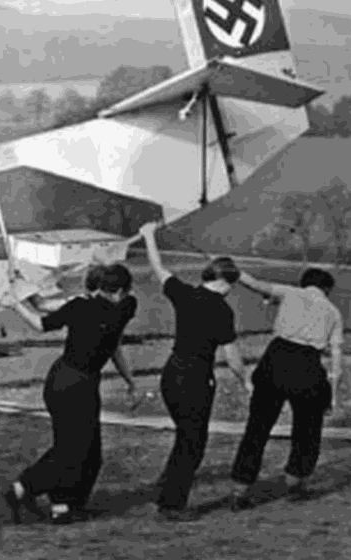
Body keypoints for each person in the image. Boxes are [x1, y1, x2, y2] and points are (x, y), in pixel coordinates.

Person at [0, 263, 140, 525]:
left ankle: (64, 501)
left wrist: (17, 301)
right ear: (120, 290)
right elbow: (112, 343)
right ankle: (44, 498)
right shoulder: (126, 307)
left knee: (86, 451)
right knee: (73, 450)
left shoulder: (79, 306)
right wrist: (129, 381)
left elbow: (42, 319)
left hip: (65, 379)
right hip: (75, 385)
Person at [138, 222, 249, 521]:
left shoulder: (184, 294)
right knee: (193, 445)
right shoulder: (223, 311)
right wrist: (247, 382)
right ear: (225, 283)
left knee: (184, 435)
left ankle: (167, 483)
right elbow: (233, 358)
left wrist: (149, 236)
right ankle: (170, 506)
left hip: (171, 374)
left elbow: (158, 268)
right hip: (196, 380)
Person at [229, 268, 344, 507]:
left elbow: (254, 283)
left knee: (257, 428)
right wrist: (332, 395)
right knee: (308, 429)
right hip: (308, 364)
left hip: (276, 358)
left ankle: (240, 488)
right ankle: (295, 481)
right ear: (326, 290)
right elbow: (336, 359)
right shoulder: (333, 312)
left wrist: (233, 270)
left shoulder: (290, 293)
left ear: (304, 284)